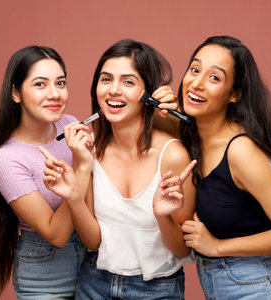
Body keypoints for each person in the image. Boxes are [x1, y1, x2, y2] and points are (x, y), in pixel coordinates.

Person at [41, 39, 197, 299]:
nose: (114, 91)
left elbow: (182, 251)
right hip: (94, 284)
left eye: (128, 82)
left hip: (157, 290)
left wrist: (162, 216)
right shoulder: (90, 152)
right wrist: (73, 197)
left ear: (148, 95)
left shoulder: (173, 155)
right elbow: (95, 243)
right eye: (106, 79)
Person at [177, 36, 271, 299]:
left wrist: (217, 246)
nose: (196, 83)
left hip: (260, 283)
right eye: (194, 70)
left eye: (214, 78)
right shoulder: (195, 134)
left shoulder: (241, 151)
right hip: (227, 283)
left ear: (235, 94)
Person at [0, 46, 85, 300]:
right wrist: (82, 167)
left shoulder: (70, 124)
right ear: (16, 93)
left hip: (91, 263)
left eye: (60, 83)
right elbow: (57, 235)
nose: (55, 94)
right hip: (45, 276)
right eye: (40, 84)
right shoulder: (7, 159)